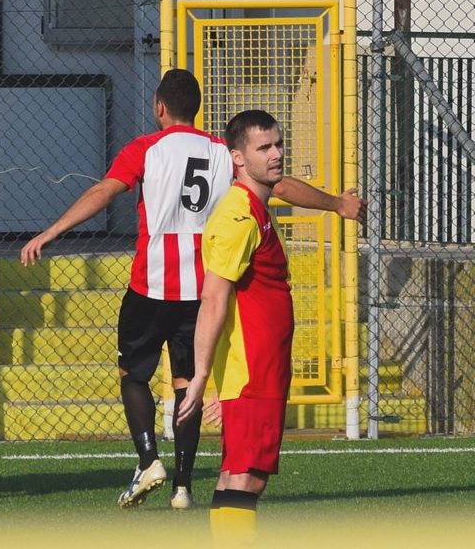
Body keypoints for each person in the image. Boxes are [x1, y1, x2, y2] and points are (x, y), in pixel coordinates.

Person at [20, 69, 365, 510]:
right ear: (197, 107)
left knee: (134, 374)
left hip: (152, 283)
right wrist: (337, 203)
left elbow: (106, 192)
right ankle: (184, 485)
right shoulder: (224, 151)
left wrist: (51, 232)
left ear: (159, 106)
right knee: (188, 381)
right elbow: (280, 186)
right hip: (203, 286)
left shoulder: (145, 147)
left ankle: (149, 459)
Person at [175, 110, 294, 545]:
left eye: (278, 143)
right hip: (253, 371)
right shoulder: (239, 216)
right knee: (247, 476)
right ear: (238, 158)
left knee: (238, 474)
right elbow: (213, 298)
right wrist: (204, 376)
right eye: (264, 148)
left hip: (257, 369)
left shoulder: (252, 207)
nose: (276, 154)